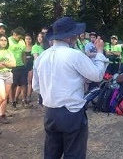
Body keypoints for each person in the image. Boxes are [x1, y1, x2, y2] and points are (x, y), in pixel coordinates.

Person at [32, 16, 108, 159]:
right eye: (74, 34)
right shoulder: (75, 55)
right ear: (69, 37)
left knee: (51, 153)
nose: (76, 36)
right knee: (74, 154)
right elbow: (97, 75)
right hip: (71, 112)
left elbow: (36, 87)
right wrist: (99, 52)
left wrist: (52, 93)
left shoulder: (41, 57)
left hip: (50, 112)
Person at [8, 26, 30, 108]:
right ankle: (13, 101)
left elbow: (23, 53)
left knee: (25, 83)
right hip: (12, 66)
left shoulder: (21, 41)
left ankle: (24, 100)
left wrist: (25, 64)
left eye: (21, 37)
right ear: (14, 34)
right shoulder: (8, 40)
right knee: (13, 85)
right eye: (19, 36)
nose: (20, 38)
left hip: (22, 66)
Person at [0, 34, 16, 124]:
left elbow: (14, 64)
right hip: (0, 75)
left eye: (5, 40)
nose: (3, 42)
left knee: (5, 97)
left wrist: (3, 64)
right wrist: (7, 63)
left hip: (8, 74)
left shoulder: (9, 51)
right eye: (1, 40)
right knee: (1, 96)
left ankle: (2, 115)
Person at [31, 32, 45, 107]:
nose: (39, 38)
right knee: (39, 84)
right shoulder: (35, 47)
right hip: (38, 68)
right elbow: (36, 58)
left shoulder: (46, 47)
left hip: (46, 68)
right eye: (38, 36)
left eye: (41, 36)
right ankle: (40, 99)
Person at [24, 34, 34, 103]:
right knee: (23, 82)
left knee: (30, 82)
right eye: (26, 39)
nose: (28, 40)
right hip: (23, 67)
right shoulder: (22, 47)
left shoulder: (33, 47)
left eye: (29, 39)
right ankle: (23, 97)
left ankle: (29, 96)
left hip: (31, 66)